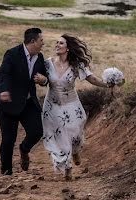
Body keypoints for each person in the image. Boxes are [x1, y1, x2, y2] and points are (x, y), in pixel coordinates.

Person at [41, 33, 112, 181]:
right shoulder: (47, 64)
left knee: (75, 135)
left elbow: (91, 78)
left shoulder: (76, 65)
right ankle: (67, 167)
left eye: (61, 43)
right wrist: (40, 80)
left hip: (72, 104)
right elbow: (40, 79)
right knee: (59, 136)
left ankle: (75, 151)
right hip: (52, 106)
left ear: (68, 48)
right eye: (56, 43)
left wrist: (107, 84)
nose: (57, 45)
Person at [0, 27, 50, 175]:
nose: (43, 43)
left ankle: (24, 149)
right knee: (8, 140)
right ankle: (6, 173)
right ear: (32, 41)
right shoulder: (12, 54)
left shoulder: (40, 57)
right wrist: (3, 90)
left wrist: (44, 80)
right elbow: (2, 74)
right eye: (41, 40)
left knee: (37, 131)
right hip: (8, 103)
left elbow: (44, 77)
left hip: (28, 103)